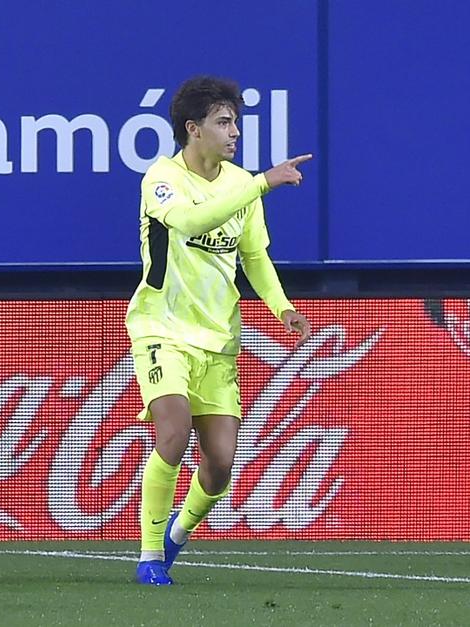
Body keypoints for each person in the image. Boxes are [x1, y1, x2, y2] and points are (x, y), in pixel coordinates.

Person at [125, 75, 313, 586]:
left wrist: (281, 308)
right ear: (194, 129)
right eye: (223, 122)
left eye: (236, 123)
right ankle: (147, 557)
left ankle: (174, 537)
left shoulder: (239, 183)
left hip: (218, 338)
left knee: (221, 467)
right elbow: (186, 223)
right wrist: (262, 182)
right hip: (161, 326)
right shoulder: (161, 178)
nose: (234, 133)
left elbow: (254, 255)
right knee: (173, 432)